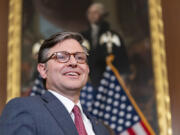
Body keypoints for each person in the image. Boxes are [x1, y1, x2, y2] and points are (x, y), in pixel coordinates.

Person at [0, 32, 111, 135]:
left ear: (87, 69)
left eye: (80, 58)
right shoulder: (24, 108)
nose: (73, 62)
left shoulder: (101, 129)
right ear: (43, 70)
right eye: (61, 57)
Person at [81, 3, 131, 87]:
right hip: (90, 81)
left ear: (102, 14)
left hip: (110, 81)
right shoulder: (82, 37)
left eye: (95, 12)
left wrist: (122, 79)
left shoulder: (113, 36)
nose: (92, 15)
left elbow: (122, 59)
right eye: (90, 13)